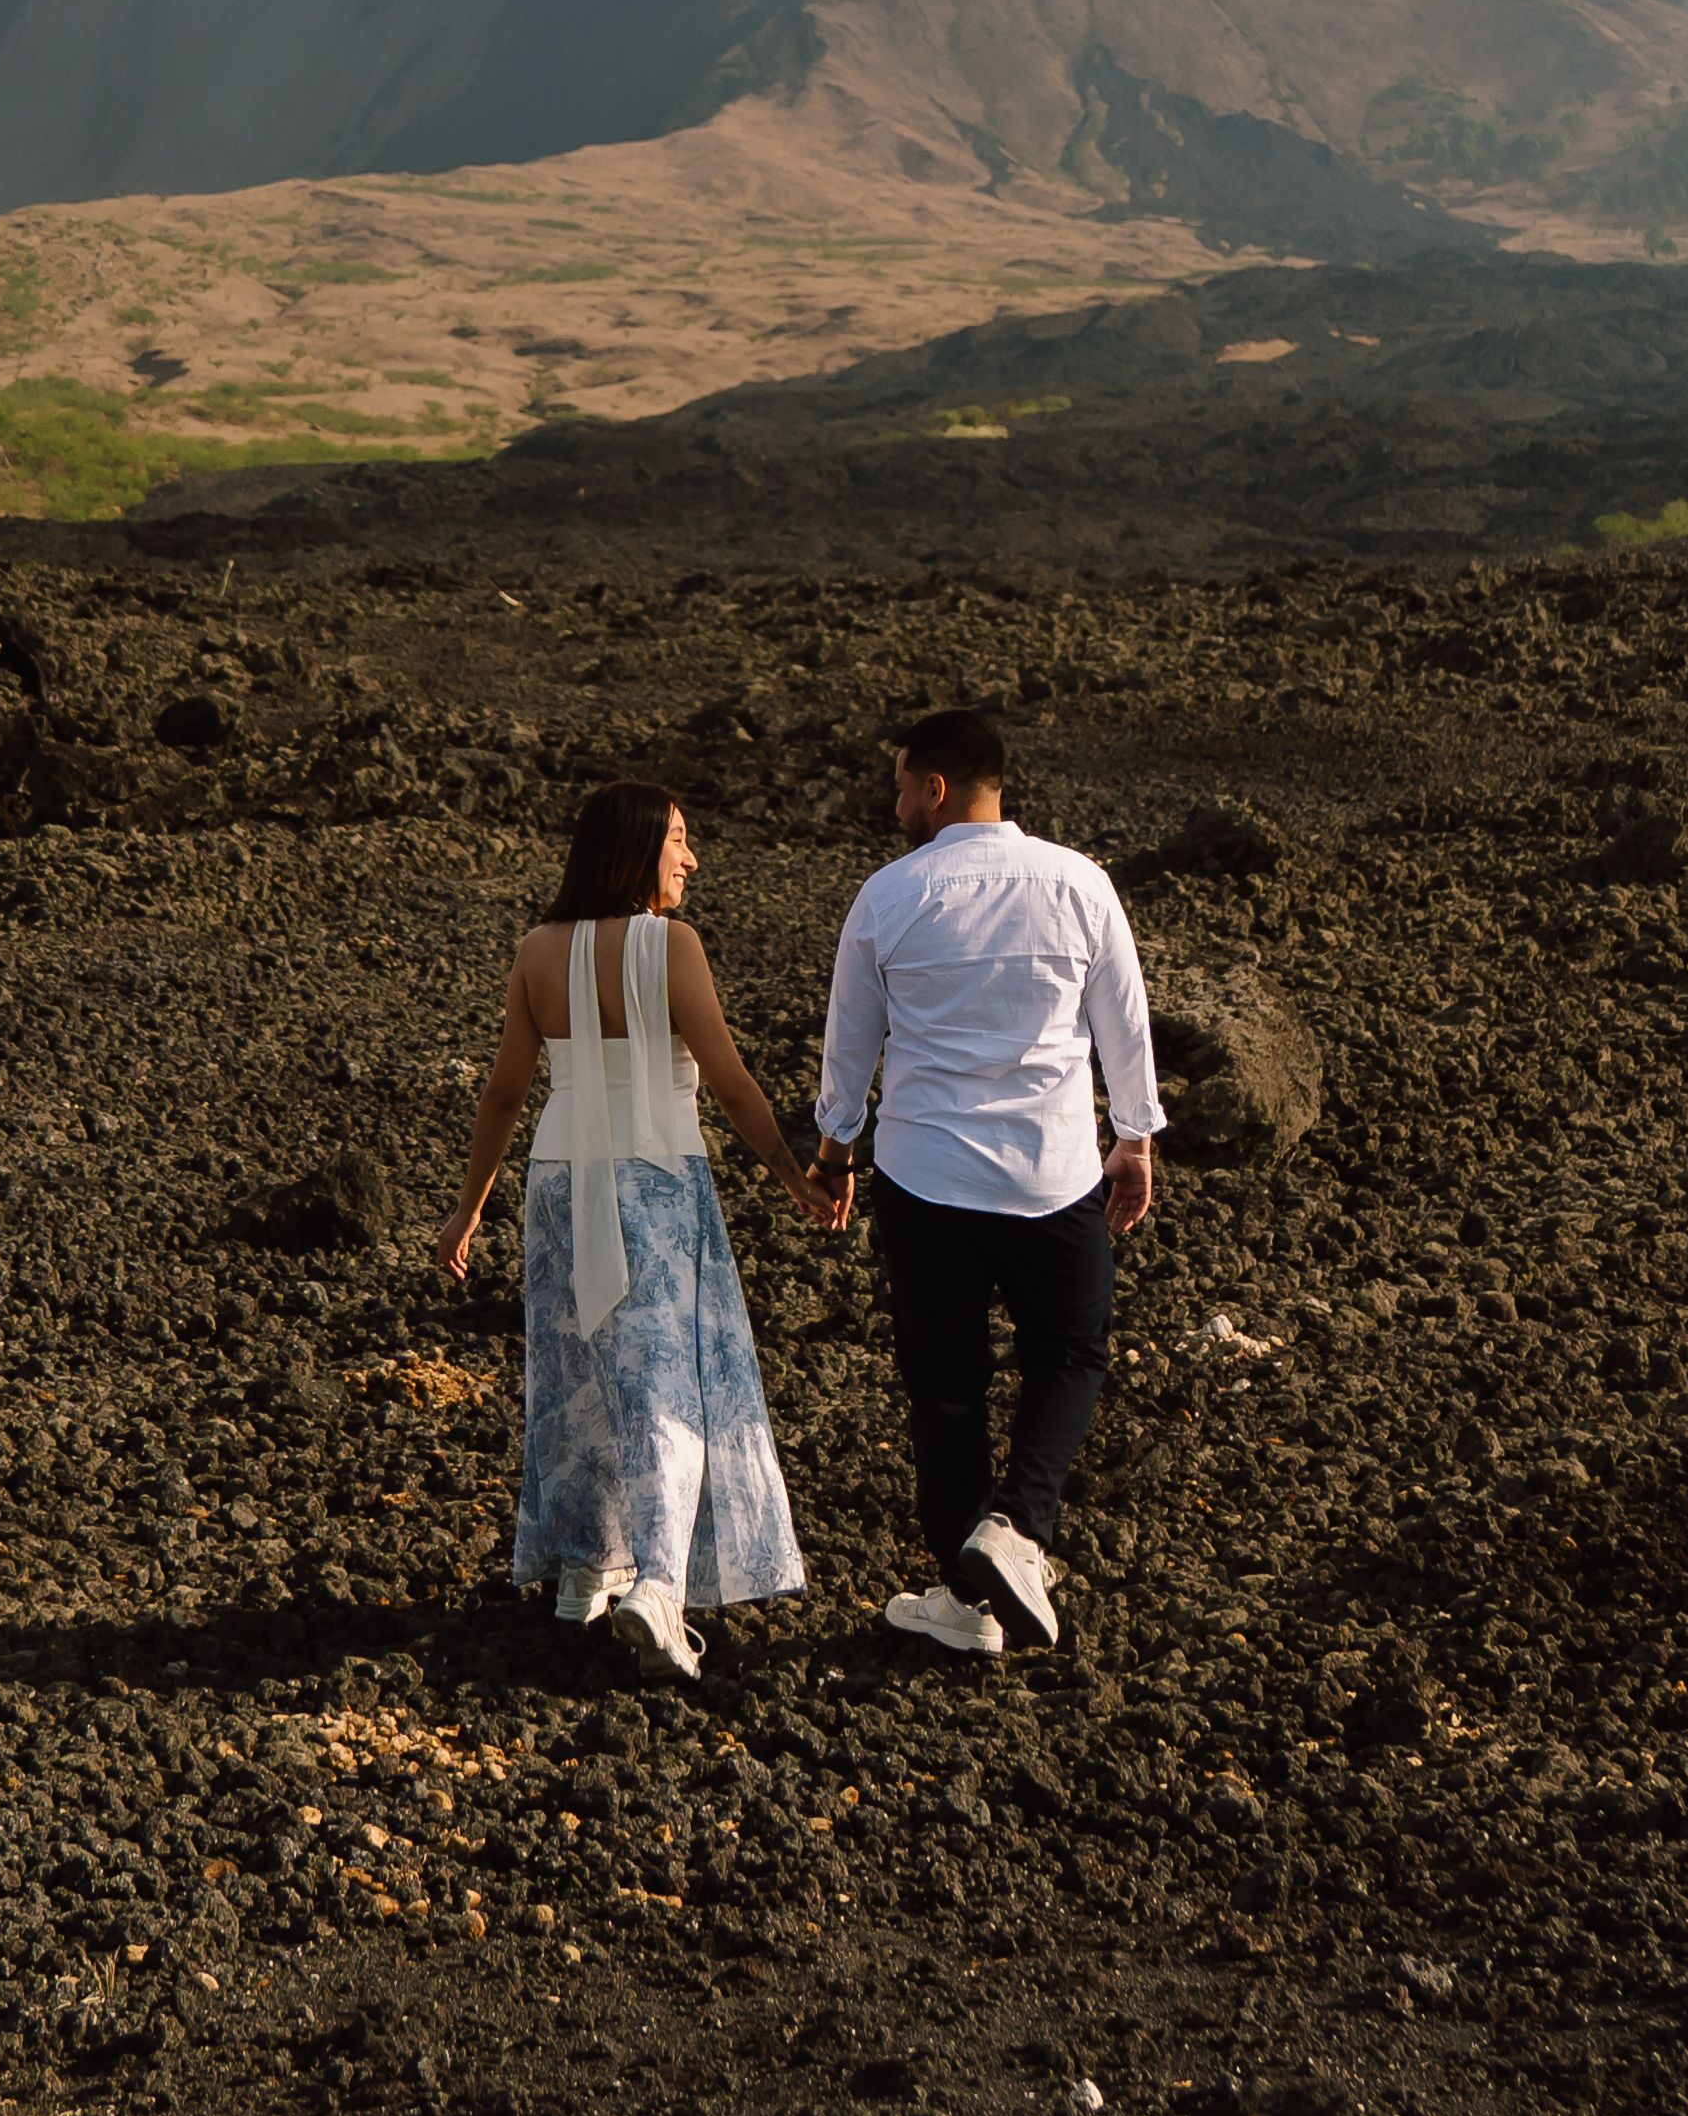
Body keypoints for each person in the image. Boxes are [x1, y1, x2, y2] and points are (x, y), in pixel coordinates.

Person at [807, 703, 1159, 1658]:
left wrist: (836, 1155)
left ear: (934, 786)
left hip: (925, 1180)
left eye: (897, 787)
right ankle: (1019, 1525)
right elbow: (1124, 1022)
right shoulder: (1081, 882)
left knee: (947, 1384)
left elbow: (851, 1050)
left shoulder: (888, 896)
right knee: (1070, 1354)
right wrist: (1136, 1138)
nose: (892, 807)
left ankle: (964, 1609)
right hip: (1055, 1171)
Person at [444, 780, 813, 1682]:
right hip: (656, 1181)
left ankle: (583, 1568)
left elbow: (503, 1092)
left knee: (577, 1372)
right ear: (636, 849)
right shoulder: (670, 946)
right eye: (679, 840)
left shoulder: (536, 950)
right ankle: (659, 1585)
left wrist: (468, 1207)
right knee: (668, 1383)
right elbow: (729, 1083)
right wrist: (795, 1174)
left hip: (559, 1182)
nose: (691, 858)